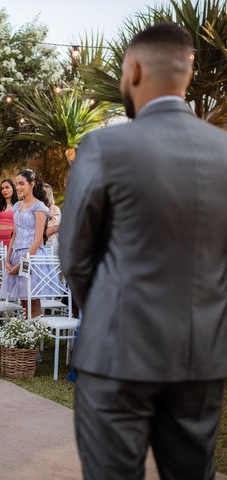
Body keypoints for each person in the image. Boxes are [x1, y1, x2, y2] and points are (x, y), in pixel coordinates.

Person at [59, 23, 227, 480]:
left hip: (115, 353)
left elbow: (74, 255)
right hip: (202, 357)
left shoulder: (103, 146)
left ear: (133, 69)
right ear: (186, 75)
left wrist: (110, 312)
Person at [0, 170, 52, 318]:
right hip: (17, 255)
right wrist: (7, 258)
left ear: (32, 184)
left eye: (21, 183)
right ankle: (25, 336)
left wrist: (20, 264)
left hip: (32, 258)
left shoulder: (39, 207)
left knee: (32, 299)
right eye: (16, 184)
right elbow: (14, 235)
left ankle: (35, 338)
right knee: (23, 299)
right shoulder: (17, 206)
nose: (18, 187)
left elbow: (38, 240)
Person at [0, 179, 16, 248]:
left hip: (13, 241)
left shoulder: (19, 205)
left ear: (13, 188)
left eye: (7, 187)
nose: (4, 190)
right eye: (2, 188)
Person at [43, 184, 61, 255]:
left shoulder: (55, 209)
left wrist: (39, 237)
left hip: (51, 244)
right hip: (40, 244)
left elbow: (54, 228)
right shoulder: (38, 209)